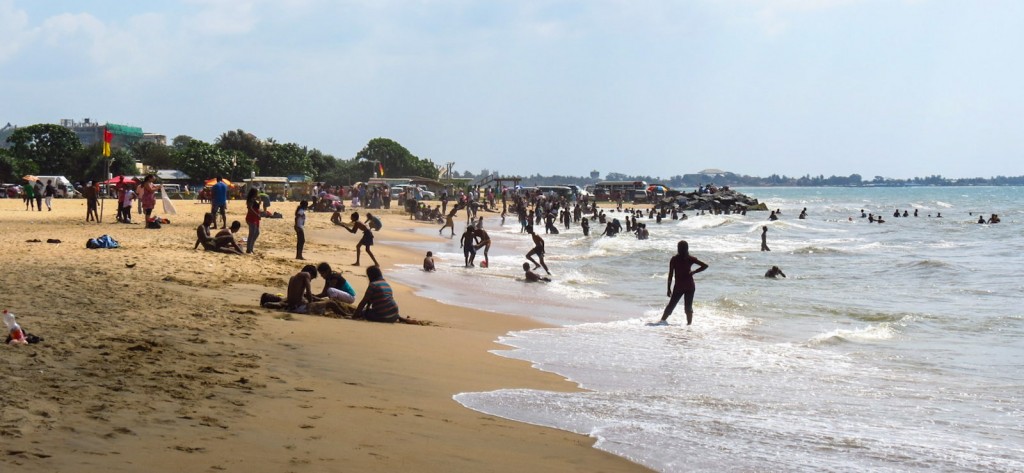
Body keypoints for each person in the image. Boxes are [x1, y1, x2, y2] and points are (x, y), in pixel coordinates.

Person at [660, 240, 709, 325]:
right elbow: (705, 266)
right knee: (688, 307)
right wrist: (694, 271)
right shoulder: (690, 258)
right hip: (690, 285)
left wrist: (668, 288)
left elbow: (670, 275)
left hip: (679, 286)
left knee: (671, 305)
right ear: (687, 248)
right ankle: (689, 325)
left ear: (678, 248)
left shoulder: (674, 259)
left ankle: (661, 321)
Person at [353, 266, 418, 324]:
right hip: (395, 314)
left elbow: (363, 302)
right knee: (386, 307)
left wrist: (354, 316)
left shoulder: (373, 285)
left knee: (364, 313)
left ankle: (400, 318)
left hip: (382, 316)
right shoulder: (386, 284)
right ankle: (403, 319)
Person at [245, 188, 261, 254]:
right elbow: (250, 208)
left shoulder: (253, 199)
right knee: (252, 234)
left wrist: (259, 202)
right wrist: (257, 214)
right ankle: (249, 249)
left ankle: (251, 247)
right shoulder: (250, 200)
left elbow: (256, 207)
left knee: (256, 233)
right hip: (251, 217)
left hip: (255, 218)